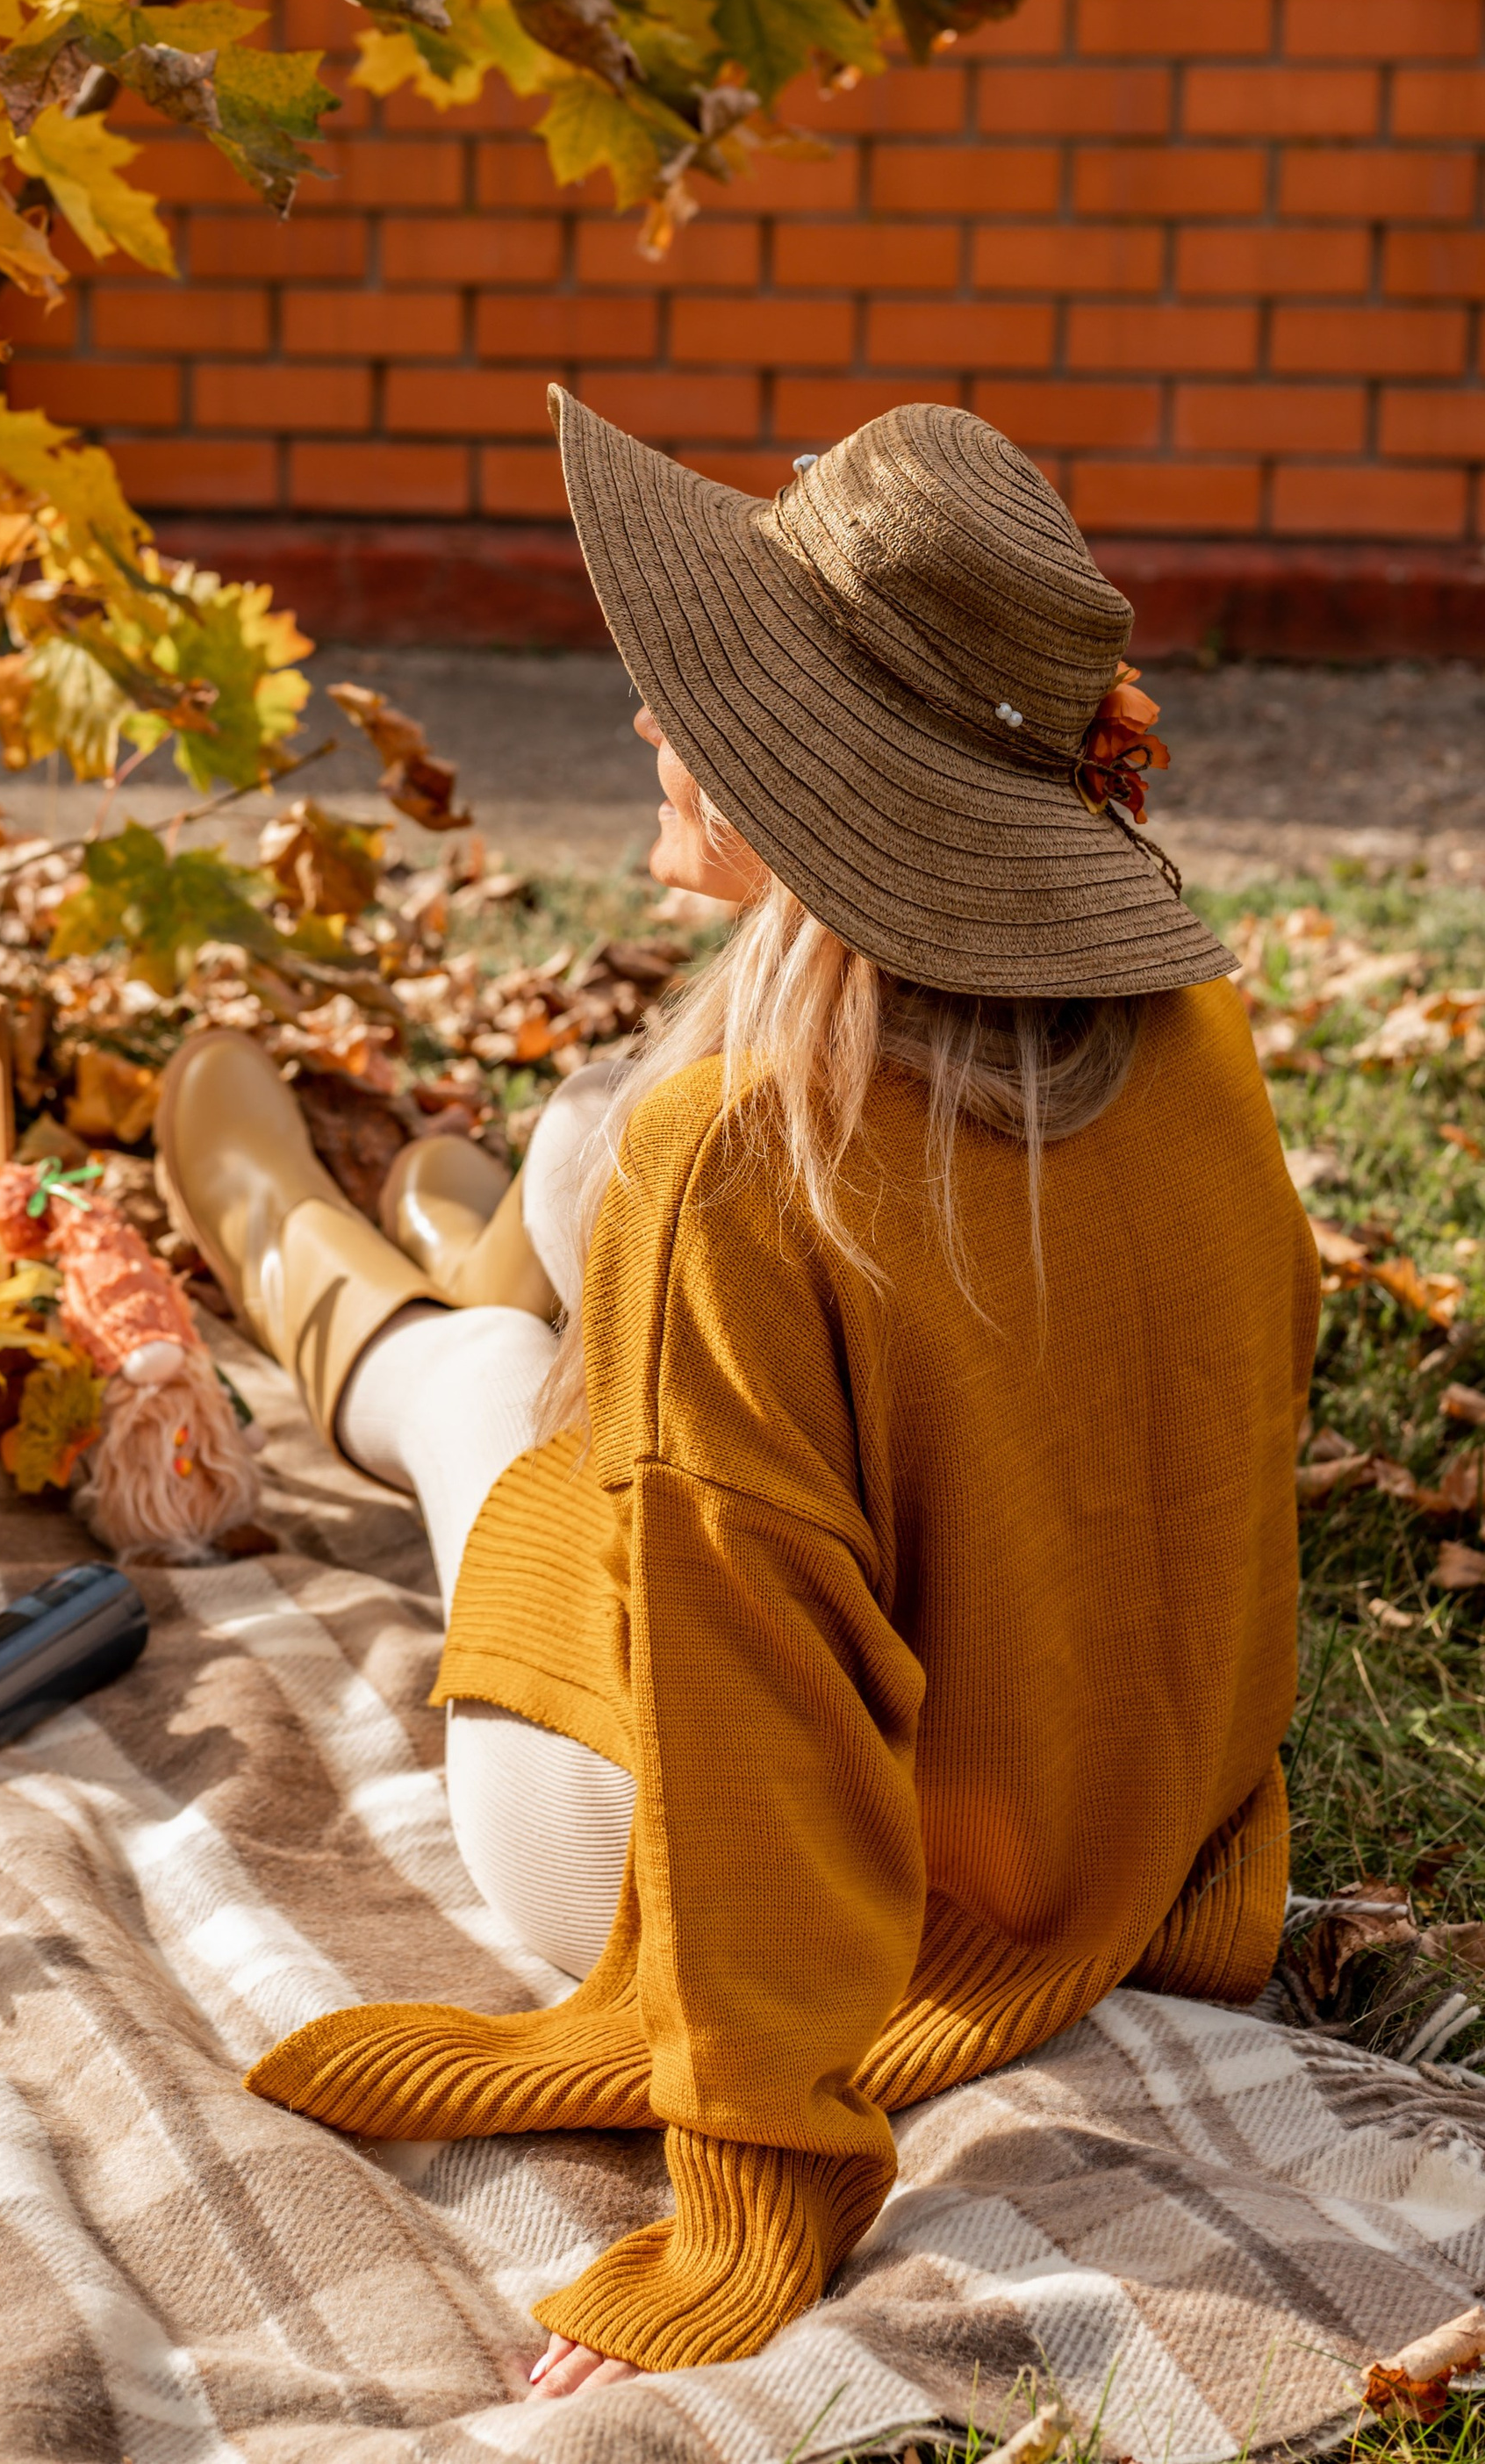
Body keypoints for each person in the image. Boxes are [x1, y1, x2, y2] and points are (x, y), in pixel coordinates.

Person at [154, 394, 1317, 2398]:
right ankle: (450, 1191)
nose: (641, 714)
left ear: (832, 778)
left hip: (696, 1854)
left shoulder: (742, 1160)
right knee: (589, 1157)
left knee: (486, 1390)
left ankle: (283, 1226)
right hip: (1105, 1807)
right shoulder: (1178, 1011)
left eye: (701, 685)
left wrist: (747, 2198)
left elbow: (738, 1708)